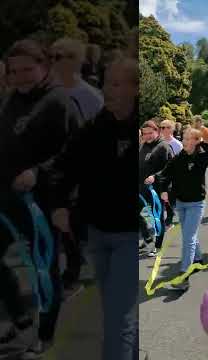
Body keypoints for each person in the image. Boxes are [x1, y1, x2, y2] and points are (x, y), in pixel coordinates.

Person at [49, 58, 139, 360]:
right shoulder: (96, 126)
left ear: (135, 88)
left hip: (129, 236)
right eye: (105, 83)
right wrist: (60, 204)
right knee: (115, 311)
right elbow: (64, 166)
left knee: (118, 318)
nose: (107, 90)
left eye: (115, 84)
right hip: (97, 234)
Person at [0, 39, 82, 358]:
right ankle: (19, 317)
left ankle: (44, 335)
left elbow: (76, 153)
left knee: (45, 269)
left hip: (47, 202)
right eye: (14, 71)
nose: (20, 77)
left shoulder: (59, 102)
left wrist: (38, 172)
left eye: (27, 70)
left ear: (44, 67)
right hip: (8, 199)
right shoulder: (9, 102)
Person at [156, 128, 208, 290]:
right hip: (180, 203)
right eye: (185, 138)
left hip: (196, 203)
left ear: (196, 141)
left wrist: (203, 142)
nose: (185, 141)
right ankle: (198, 259)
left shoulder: (201, 158)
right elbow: (164, 175)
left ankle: (184, 276)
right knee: (189, 234)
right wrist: (163, 190)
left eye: (190, 138)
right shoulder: (178, 158)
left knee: (188, 238)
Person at [50, 38, 104, 125]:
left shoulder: (94, 99)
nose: (51, 61)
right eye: (49, 56)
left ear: (75, 61)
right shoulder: (41, 90)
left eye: (57, 57)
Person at [140, 120, 174, 257]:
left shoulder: (163, 147)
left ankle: (157, 246)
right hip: (142, 189)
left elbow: (170, 168)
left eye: (150, 133)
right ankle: (148, 238)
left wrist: (155, 176)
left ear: (157, 132)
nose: (147, 136)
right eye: (144, 133)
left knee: (157, 218)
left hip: (158, 189)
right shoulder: (143, 146)